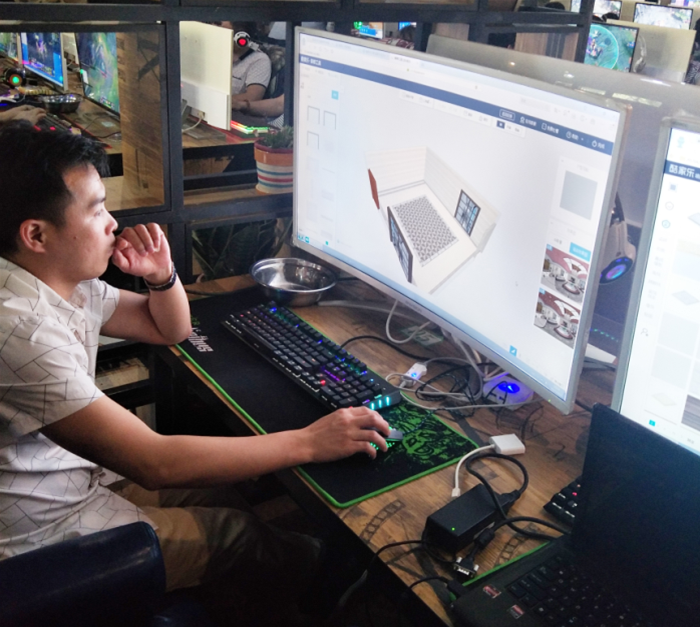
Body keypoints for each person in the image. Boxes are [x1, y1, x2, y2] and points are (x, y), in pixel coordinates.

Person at [0, 122, 390, 623]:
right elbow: (155, 463)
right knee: (242, 535)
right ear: (36, 234)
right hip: (40, 536)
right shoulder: (21, 331)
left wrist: (162, 275)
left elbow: (170, 328)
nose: (113, 224)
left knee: (225, 496)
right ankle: (337, 598)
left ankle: (252, 589)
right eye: (96, 210)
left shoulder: (55, 281)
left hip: (72, 477)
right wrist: (310, 442)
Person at [218, 21, 272, 104]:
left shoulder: (259, 60)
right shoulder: (214, 50)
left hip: (232, 109)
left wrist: (218, 101)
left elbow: (252, 97)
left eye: (224, 33)